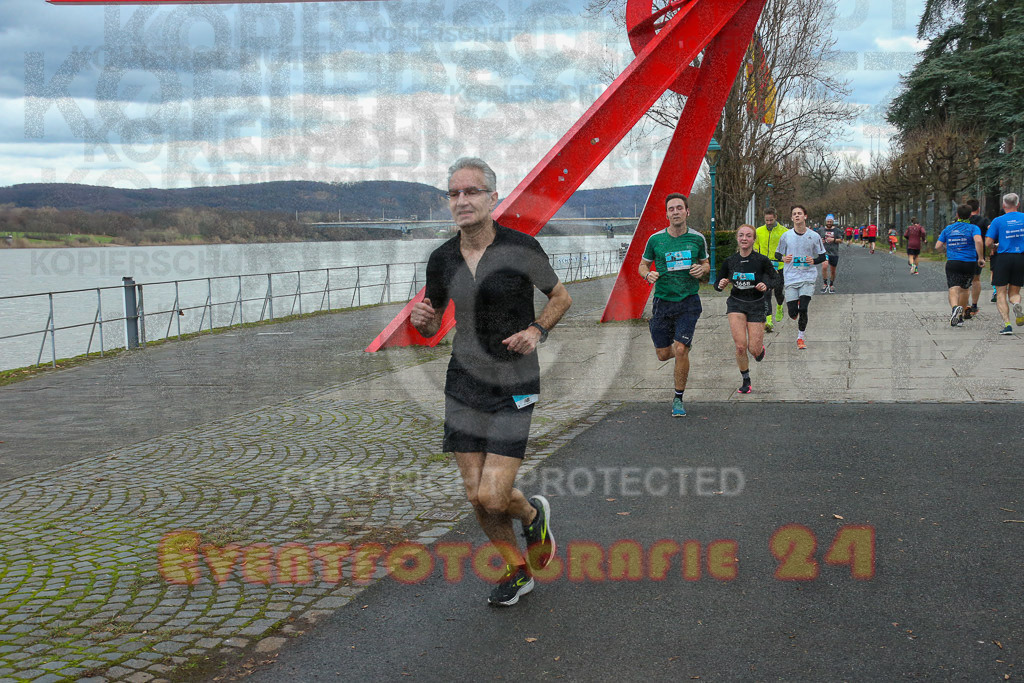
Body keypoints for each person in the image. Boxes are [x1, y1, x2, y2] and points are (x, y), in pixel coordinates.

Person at [411, 157, 571, 606]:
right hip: (464, 381)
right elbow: (430, 322)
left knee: (495, 494)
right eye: (455, 194)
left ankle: (532, 511)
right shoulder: (441, 259)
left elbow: (561, 297)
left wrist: (537, 330)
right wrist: (423, 321)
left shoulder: (521, 247)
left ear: (492, 198)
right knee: (474, 495)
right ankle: (518, 571)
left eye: (471, 192)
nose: (462, 201)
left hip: (515, 380)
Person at [639, 193, 710, 417]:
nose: (676, 212)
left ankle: (678, 399)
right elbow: (642, 265)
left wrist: (703, 270)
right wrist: (647, 275)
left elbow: (705, 263)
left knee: (680, 349)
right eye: (672, 209)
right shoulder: (655, 240)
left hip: (688, 301)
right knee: (662, 354)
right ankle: (684, 350)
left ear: (687, 212)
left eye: (680, 208)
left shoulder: (697, 238)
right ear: (667, 214)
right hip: (662, 302)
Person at [715, 225, 775, 393]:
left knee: (753, 349)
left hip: (756, 304)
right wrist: (721, 284)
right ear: (737, 238)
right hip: (736, 303)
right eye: (741, 235)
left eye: (748, 236)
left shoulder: (761, 260)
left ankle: (759, 350)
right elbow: (717, 284)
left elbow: (775, 279)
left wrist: (766, 284)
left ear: (753, 239)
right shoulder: (730, 261)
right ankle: (746, 380)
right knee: (740, 346)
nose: (744, 238)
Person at [776, 205, 827, 349]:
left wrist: (814, 261)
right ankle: (794, 308)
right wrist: (784, 258)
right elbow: (777, 254)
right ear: (791, 218)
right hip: (791, 277)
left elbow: (822, 256)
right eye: (794, 214)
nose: (797, 216)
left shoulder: (814, 236)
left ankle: (800, 338)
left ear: (805, 216)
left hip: (808, 276)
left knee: (803, 308)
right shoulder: (786, 236)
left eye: (800, 213)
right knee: (793, 313)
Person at [935, 203, 984, 328]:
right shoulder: (973, 228)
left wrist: (946, 250)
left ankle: (954, 308)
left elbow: (938, 246)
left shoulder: (948, 229)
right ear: (970, 215)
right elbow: (978, 241)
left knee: (953, 288)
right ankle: (960, 316)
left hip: (953, 262)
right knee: (965, 289)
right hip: (969, 262)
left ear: (957, 215)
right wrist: (980, 257)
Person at [984, 193, 1024, 335]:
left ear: (1003, 205)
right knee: (1014, 292)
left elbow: (988, 242)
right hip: (1020, 258)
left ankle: (1007, 325)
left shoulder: (998, 221)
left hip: (1003, 258)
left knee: (1001, 292)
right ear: (1018, 204)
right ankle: (1017, 304)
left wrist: (993, 247)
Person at [754, 208, 786, 332]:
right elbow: (755, 246)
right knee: (766, 292)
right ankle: (768, 321)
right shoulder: (759, 231)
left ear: (776, 217)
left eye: (771, 220)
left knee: (778, 292)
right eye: (766, 220)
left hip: (779, 266)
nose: (768, 222)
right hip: (765, 266)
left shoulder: (784, 232)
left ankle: (779, 306)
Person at [966, 198, 991, 315]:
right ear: (979, 209)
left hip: (964, 253)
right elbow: (991, 229)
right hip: (978, 253)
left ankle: (964, 305)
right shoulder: (984, 220)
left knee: (964, 280)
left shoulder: (962, 220)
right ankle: (974, 305)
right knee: (976, 279)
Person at [817, 214, 843, 293]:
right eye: (828, 221)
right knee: (824, 266)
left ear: (833, 222)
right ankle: (825, 284)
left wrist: (833, 240)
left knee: (833, 271)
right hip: (824, 252)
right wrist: (820, 241)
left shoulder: (837, 230)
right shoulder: (821, 230)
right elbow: (816, 240)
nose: (829, 223)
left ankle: (831, 284)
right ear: (825, 221)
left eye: (830, 221)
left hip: (834, 252)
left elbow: (841, 240)